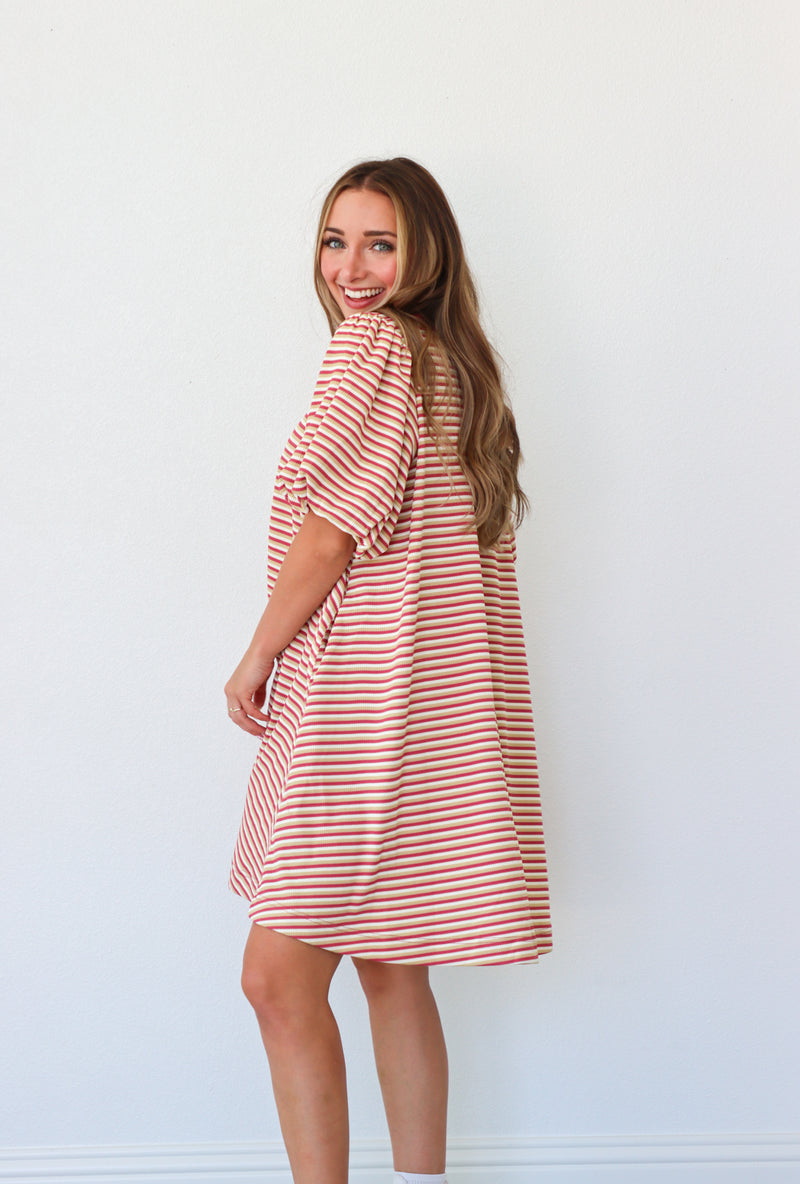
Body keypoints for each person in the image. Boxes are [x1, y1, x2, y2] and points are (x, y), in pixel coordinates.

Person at [224, 157, 552, 1184]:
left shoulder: (372, 349)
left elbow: (330, 535)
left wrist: (256, 653)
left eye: (379, 242)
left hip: (358, 712)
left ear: (424, 255)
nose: (350, 268)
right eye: (334, 240)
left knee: (277, 981)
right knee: (390, 968)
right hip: (431, 717)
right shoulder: (455, 365)